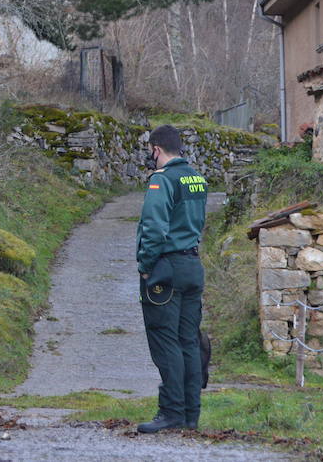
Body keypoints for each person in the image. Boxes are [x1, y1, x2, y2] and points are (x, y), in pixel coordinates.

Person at [135, 124, 208, 434]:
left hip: (167, 268)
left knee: (166, 342)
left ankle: (171, 412)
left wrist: (146, 265)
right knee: (188, 341)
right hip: (193, 265)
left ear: (156, 150)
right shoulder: (197, 179)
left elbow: (154, 227)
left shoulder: (161, 181)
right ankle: (191, 414)